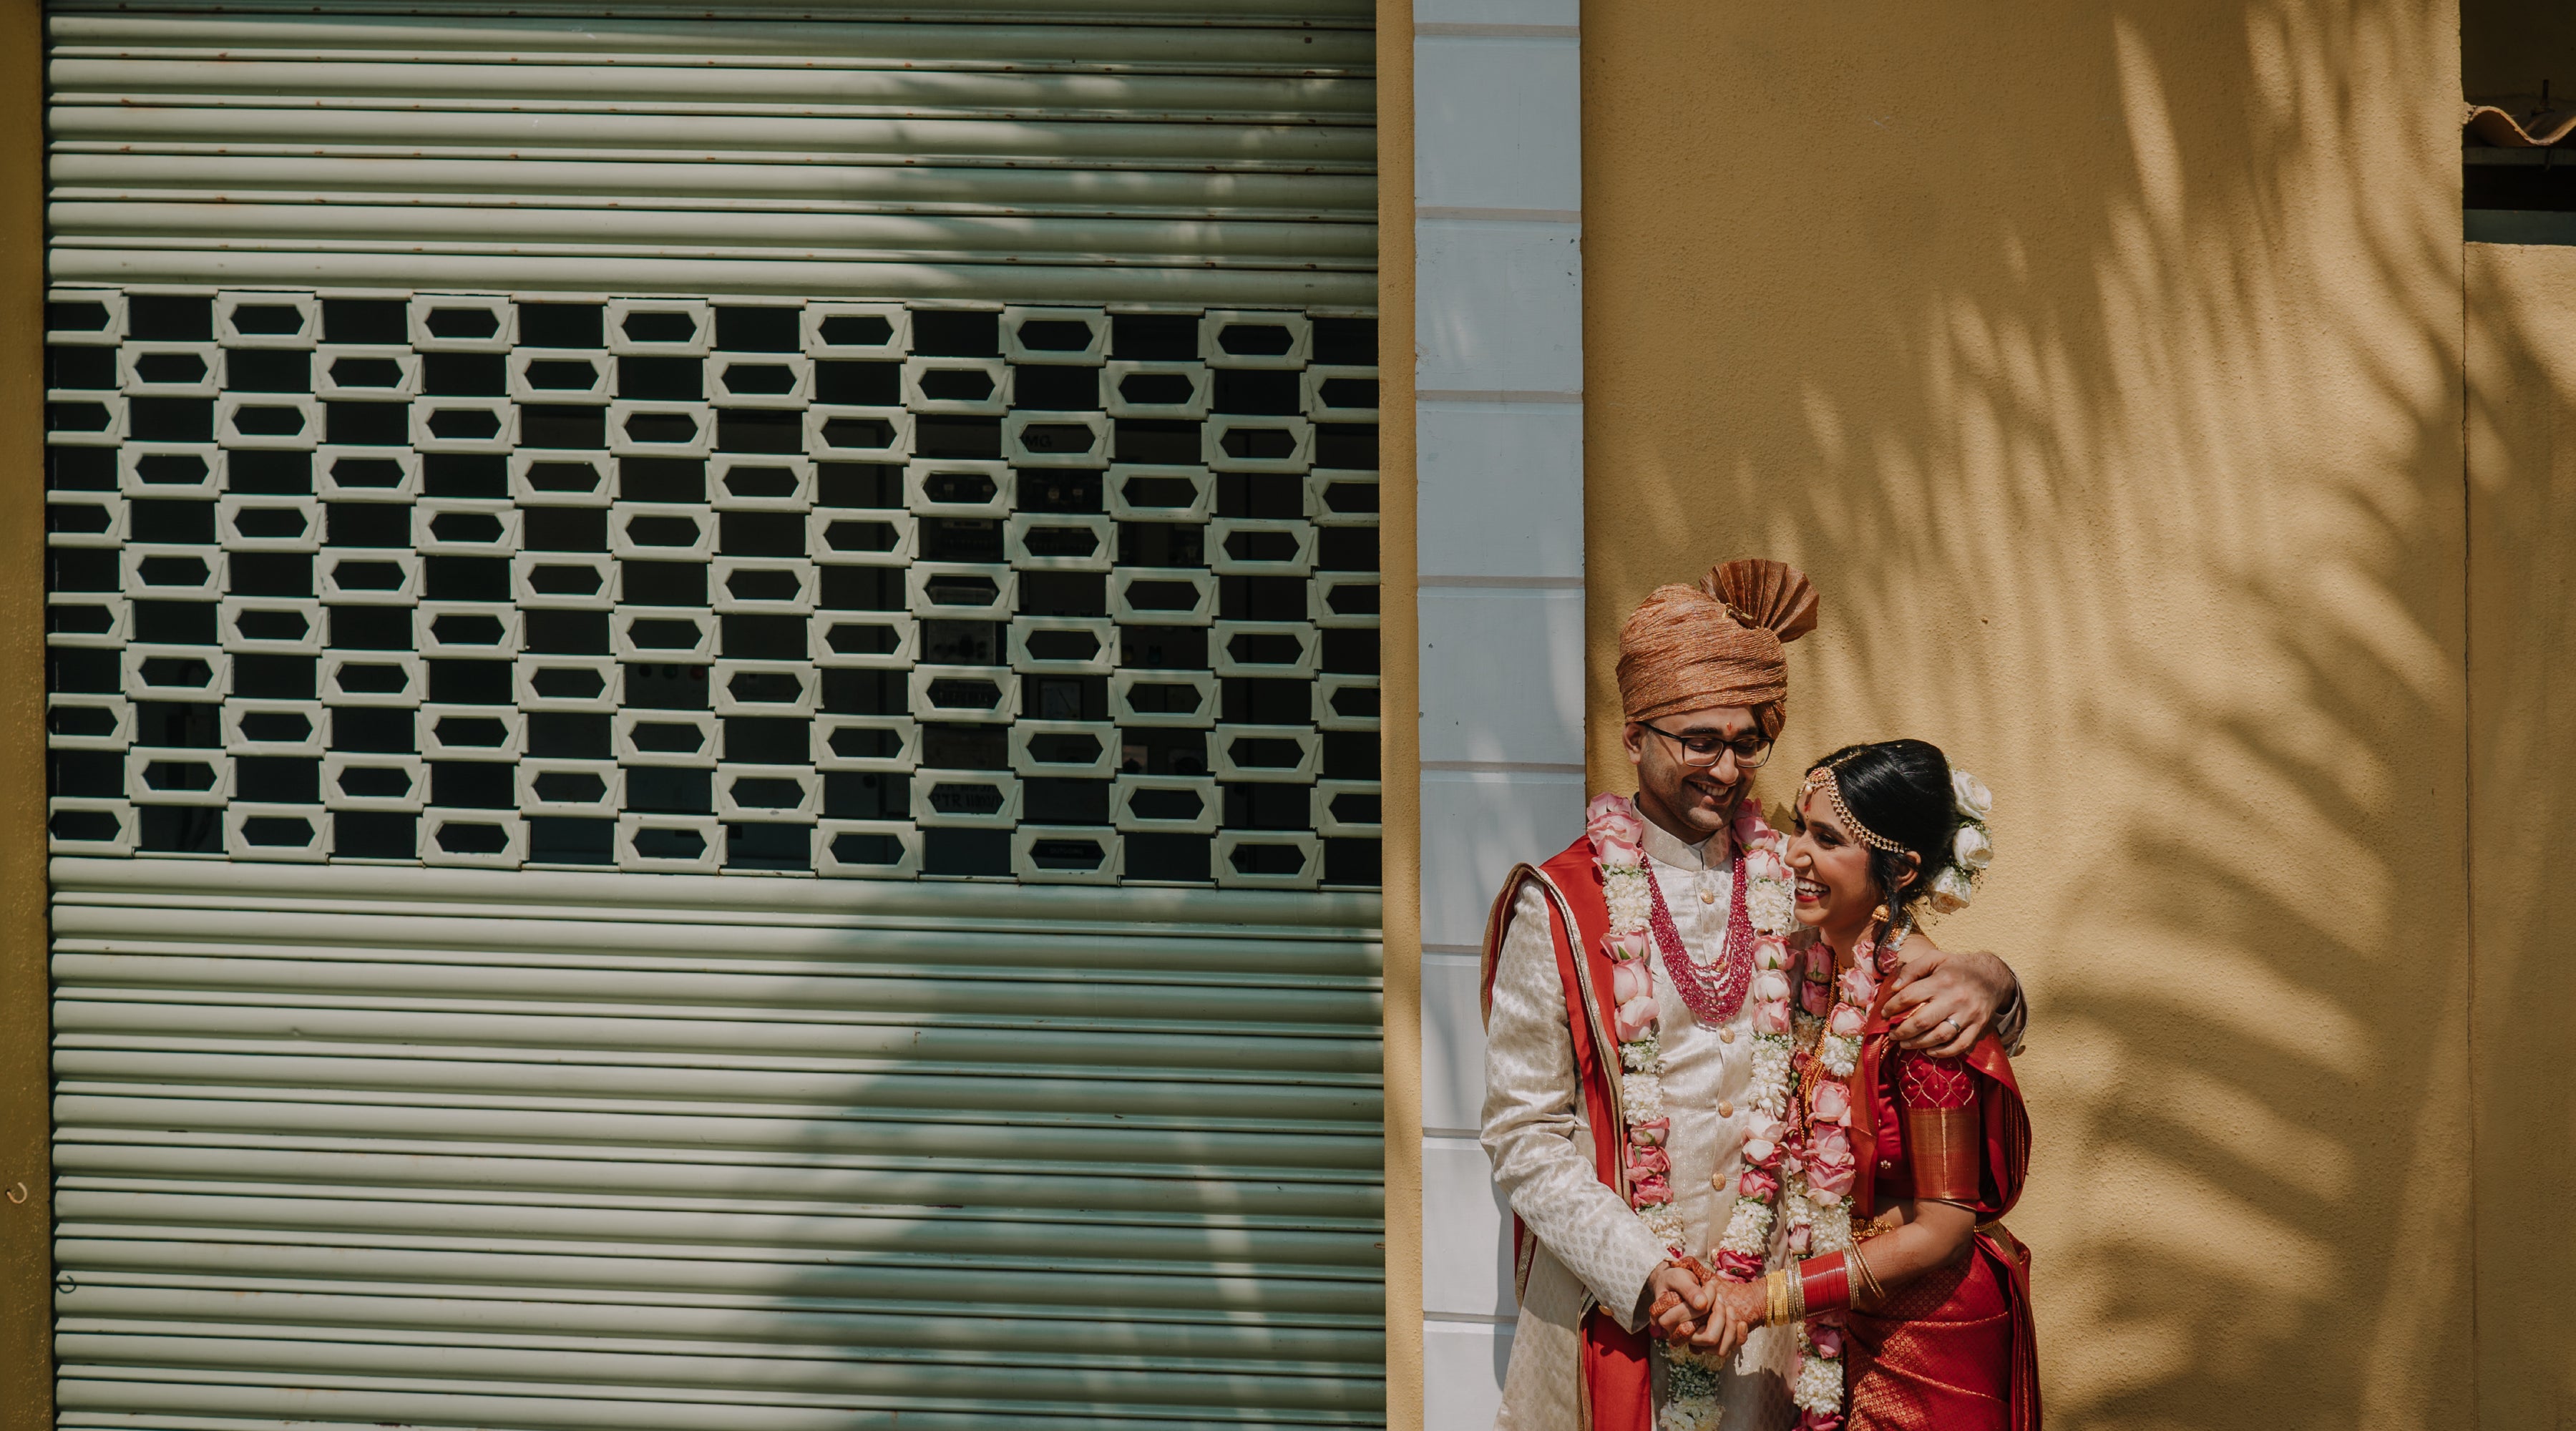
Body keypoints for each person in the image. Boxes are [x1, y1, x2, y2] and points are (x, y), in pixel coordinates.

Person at [1478, 560, 2029, 1431]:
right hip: (1614, 1304)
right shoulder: (1557, 906)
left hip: (1776, 1321)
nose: (1727, 768)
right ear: (1635, 735)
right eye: (1700, 739)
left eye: (1747, 741)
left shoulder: (1796, 876)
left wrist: (1996, 979)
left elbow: (1892, 955)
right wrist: (1644, 1271)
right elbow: (1522, 1132)